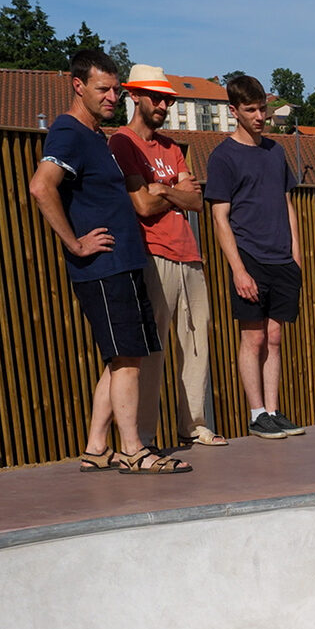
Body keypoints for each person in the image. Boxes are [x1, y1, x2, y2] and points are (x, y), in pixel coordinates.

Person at [27, 49, 187, 474]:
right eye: (103, 89)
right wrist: (75, 244)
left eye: (116, 90)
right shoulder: (68, 132)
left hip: (122, 264)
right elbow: (41, 187)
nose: (112, 97)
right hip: (104, 268)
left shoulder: (95, 135)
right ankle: (133, 450)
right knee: (127, 360)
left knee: (121, 359)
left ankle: (97, 447)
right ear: (78, 85)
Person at [109, 64, 223, 452]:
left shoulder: (172, 146)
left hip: (188, 253)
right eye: (156, 98)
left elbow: (196, 200)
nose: (162, 105)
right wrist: (174, 190)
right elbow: (141, 204)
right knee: (152, 348)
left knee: (196, 342)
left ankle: (194, 424)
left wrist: (165, 188)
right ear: (134, 96)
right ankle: (144, 436)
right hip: (152, 252)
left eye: (167, 100)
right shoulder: (122, 142)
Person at [204, 74, 305, 441]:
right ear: (234, 111)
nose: (260, 116)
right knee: (254, 338)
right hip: (249, 257)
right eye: (251, 110)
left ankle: (274, 411)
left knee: (275, 337)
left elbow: (288, 204)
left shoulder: (276, 152)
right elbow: (219, 217)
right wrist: (238, 270)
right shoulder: (223, 157)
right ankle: (257, 413)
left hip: (282, 258)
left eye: (263, 109)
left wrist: (296, 255)